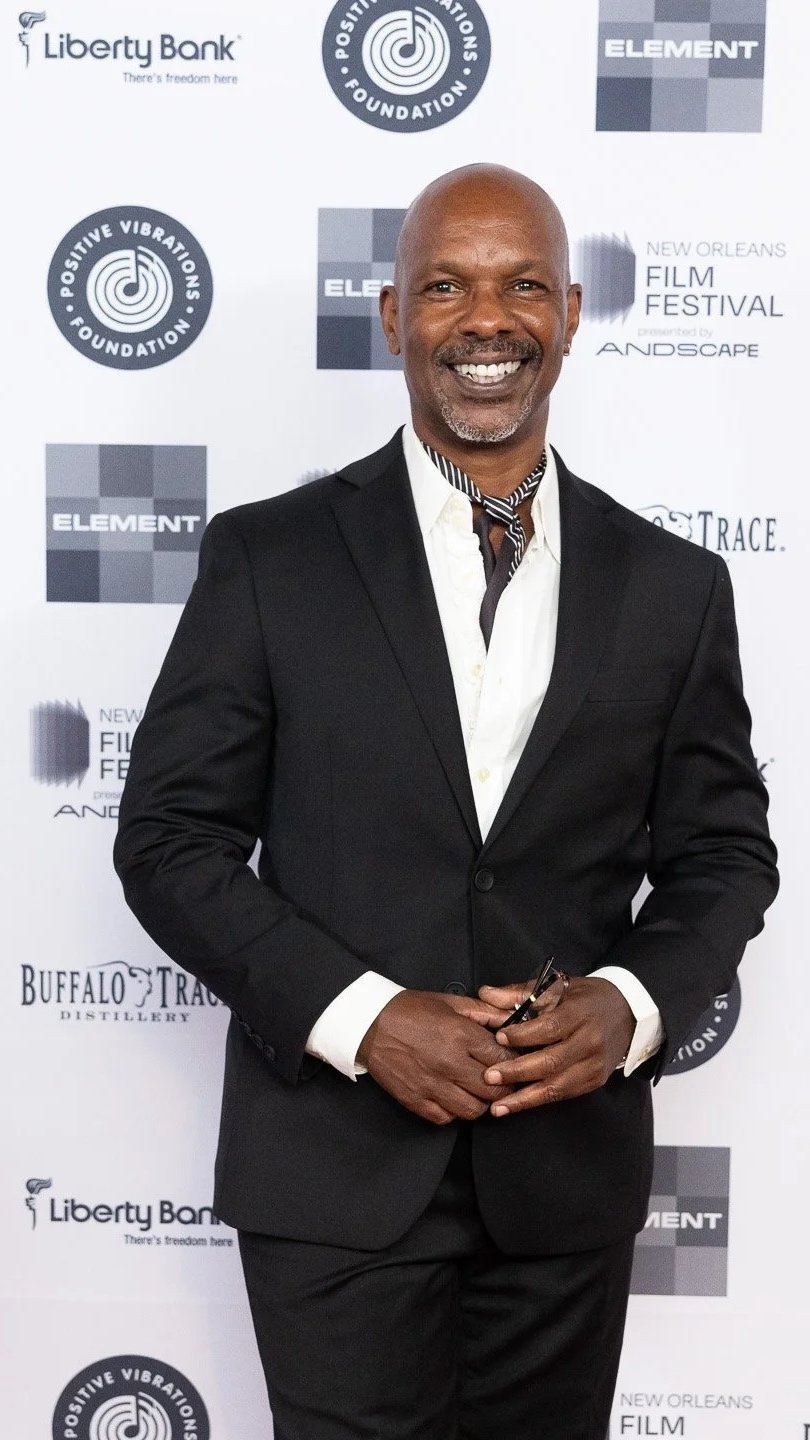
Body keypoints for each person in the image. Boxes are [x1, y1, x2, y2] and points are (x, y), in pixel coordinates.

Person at [114, 164, 777, 1439]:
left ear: (572, 313)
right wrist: (363, 1019)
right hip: (332, 1176)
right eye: (446, 287)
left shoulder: (672, 587)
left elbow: (726, 855)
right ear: (393, 317)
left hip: (565, 1183)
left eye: (522, 283)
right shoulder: (272, 558)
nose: (488, 319)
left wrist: (628, 1005)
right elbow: (170, 842)